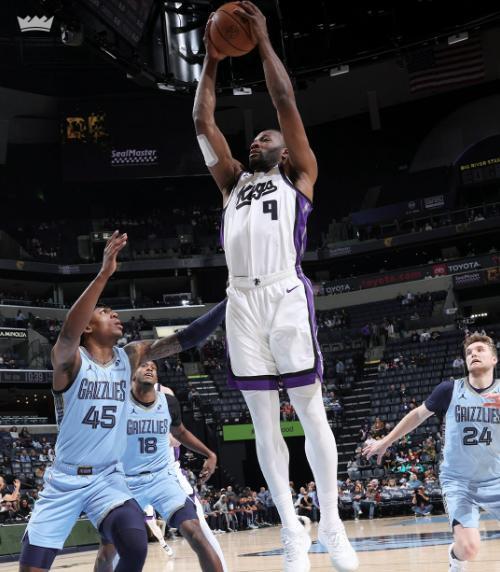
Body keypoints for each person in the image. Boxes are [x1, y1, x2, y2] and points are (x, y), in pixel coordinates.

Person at [192, 3, 357, 570]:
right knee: (263, 422)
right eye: (255, 139)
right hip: (240, 300)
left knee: (309, 411)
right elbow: (202, 124)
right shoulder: (230, 182)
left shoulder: (299, 175)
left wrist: (262, 40)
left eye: (265, 137)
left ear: (285, 150)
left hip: (285, 292)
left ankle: (332, 523)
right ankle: (292, 528)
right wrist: (212, 59)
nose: (255, 141)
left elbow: (285, 100)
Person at [19, 231, 226, 572]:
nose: (115, 314)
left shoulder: (129, 357)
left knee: (134, 542)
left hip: (108, 479)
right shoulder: (70, 360)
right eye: (105, 312)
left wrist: (231, 300)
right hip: (65, 480)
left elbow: (186, 338)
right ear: (88, 327)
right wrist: (104, 274)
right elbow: (68, 333)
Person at [363, 332, 500, 572]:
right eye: (469, 352)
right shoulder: (449, 390)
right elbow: (417, 415)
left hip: (496, 478)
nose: (473, 354)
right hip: (460, 482)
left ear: (494, 359)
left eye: (480, 350)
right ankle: (456, 558)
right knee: (469, 548)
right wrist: (386, 441)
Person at [94, 361, 224, 572]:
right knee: (107, 552)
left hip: (162, 478)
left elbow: (181, 432)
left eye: (153, 367)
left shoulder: (168, 402)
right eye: (143, 366)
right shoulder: (117, 402)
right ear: (131, 374)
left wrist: (209, 454)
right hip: (126, 482)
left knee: (196, 532)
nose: (149, 368)